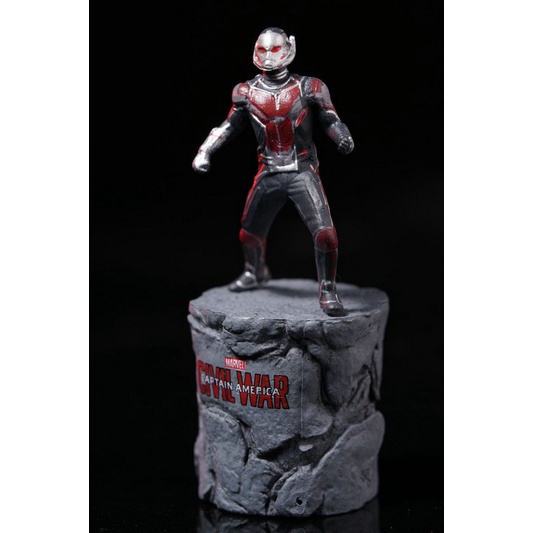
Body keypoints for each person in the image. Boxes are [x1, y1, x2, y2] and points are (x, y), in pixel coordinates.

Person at [192, 27, 354, 316]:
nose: (269, 57)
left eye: (275, 50)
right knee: (249, 234)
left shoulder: (309, 87)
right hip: (268, 171)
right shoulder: (246, 92)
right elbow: (228, 126)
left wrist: (342, 136)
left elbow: (330, 119)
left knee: (326, 235)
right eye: (263, 50)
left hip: (301, 170)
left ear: (289, 50)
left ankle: (328, 290)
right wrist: (205, 150)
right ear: (255, 52)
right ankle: (255, 272)